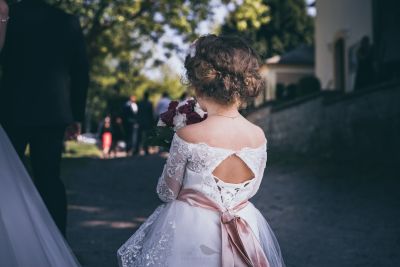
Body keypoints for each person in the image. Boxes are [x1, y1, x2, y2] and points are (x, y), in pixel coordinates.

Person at [118, 35, 285, 267]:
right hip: (244, 224)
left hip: (193, 230)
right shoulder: (258, 136)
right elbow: (252, 190)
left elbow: (166, 193)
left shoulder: (188, 135)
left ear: (198, 86)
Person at [0, 0, 89, 236]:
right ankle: (56, 242)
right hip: (52, 112)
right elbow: (81, 72)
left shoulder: (8, 15)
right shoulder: (67, 21)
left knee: (6, 178)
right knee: (49, 179)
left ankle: (11, 239)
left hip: (11, 109)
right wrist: (76, 116)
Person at [135, 91, 154, 155]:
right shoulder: (149, 104)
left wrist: (137, 120)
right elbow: (151, 114)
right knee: (146, 136)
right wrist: (152, 122)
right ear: (148, 96)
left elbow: (138, 113)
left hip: (140, 121)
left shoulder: (140, 103)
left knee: (139, 136)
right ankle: (146, 149)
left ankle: (136, 150)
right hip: (147, 122)